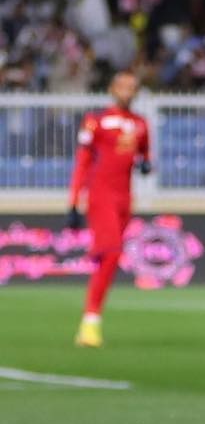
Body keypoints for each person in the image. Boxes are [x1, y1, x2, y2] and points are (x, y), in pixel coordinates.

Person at [67, 69, 151, 347]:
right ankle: (91, 321)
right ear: (113, 89)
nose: (128, 91)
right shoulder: (95, 120)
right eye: (123, 86)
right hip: (100, 194)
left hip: (124, 198)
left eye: (133, 87)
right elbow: (82, 161)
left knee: (108, 256)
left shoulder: (140, 123)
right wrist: (74, 199)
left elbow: (144, 155)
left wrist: (145, 164)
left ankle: (91, 316)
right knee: (113, 253)